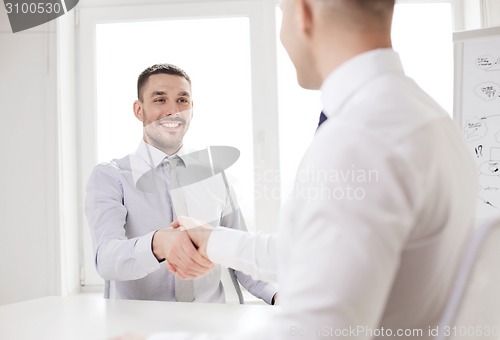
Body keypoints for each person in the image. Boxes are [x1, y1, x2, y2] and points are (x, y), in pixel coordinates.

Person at [118, 0, 478, 339]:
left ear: (303, 12)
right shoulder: (423, 116)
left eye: (281, 10)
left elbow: (316, 330)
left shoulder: (359, 138)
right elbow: (319, 257)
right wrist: (215, 240)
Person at [85, 63, 278, 304]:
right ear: (138, 110)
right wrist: (158, 244)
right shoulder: (111, 177)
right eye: (160, 100)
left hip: (212, 328)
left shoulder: (214, 175)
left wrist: (277, 294)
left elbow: (241, 256)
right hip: (141, 329)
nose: (173, 110)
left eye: (182, 100)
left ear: (191, 109)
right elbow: (106, 259)